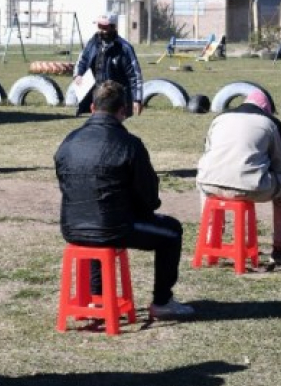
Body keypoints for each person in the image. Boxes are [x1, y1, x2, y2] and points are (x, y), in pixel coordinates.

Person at [54, 80, 190, 319]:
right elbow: (148, 194)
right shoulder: (129, 144)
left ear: (93, 108)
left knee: (97, 227)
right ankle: (162, 301)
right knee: (172, 232)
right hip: (114, 226)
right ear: (123, 111)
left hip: (72, 226)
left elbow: (64, 184)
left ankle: (97, 297)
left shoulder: (69, 141)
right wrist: (144, 211)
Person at [195, 88, 281, 269]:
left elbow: (207, 150)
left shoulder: (219, 118)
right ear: (266, 108)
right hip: (249, 185)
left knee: (207, 179)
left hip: (209, 182)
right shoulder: (269, 122)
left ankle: (210, 240)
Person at [73, 13, 143, 117]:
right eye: (99, 26)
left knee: (113, 126)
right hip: (96, 95)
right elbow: (82, 60)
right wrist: (78, 74)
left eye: (105, 27)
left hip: (116, 97)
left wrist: (137, 99)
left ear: (113, 27)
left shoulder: (124, 48)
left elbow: (135, 75)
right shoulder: (91, 43)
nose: (101, 30)